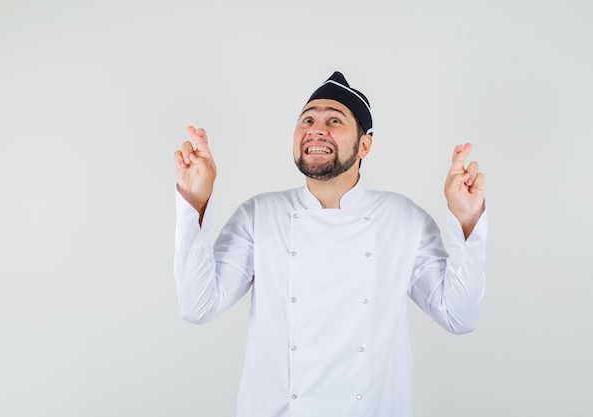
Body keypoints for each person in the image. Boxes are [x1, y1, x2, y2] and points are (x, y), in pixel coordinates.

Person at [173, 71, 487, 417]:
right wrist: (195, 199)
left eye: (334, 120)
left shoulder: (403, 219)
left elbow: (460, 316)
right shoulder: (260, 215)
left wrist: (467, 219)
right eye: (307, 119)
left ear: (364, 144)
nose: (316, 129)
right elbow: (197, 305)